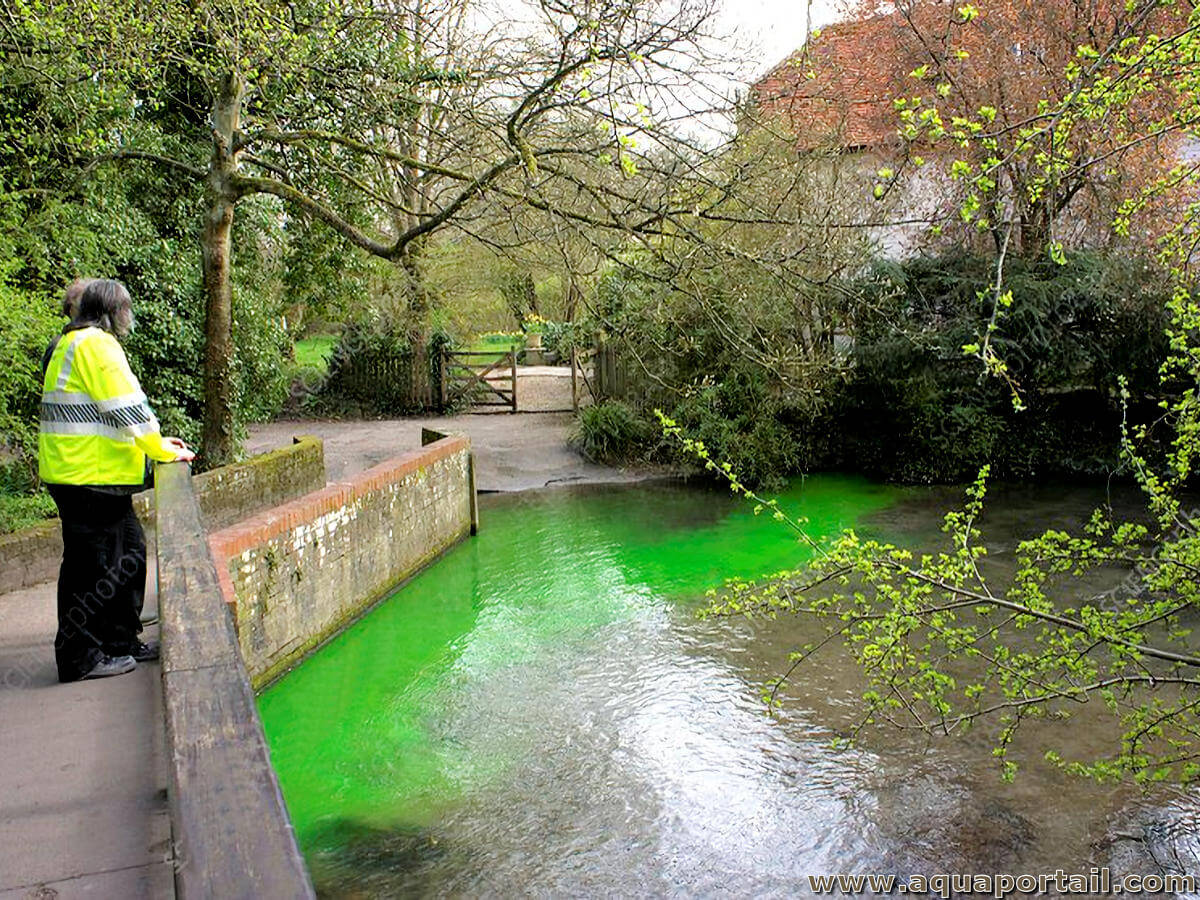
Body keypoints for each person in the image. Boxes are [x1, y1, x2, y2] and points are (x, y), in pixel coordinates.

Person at [38, 279, 195, 682]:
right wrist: (163, 450)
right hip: (86, 477)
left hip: (89, 476)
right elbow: (127, 407)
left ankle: (120, 641)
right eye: (126, 310)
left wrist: (159, 443)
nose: (129, 318)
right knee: (88, 569)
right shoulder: (97, 345)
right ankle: (79, 658)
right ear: (111, 311)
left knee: (128, 553)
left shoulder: (72, 342)